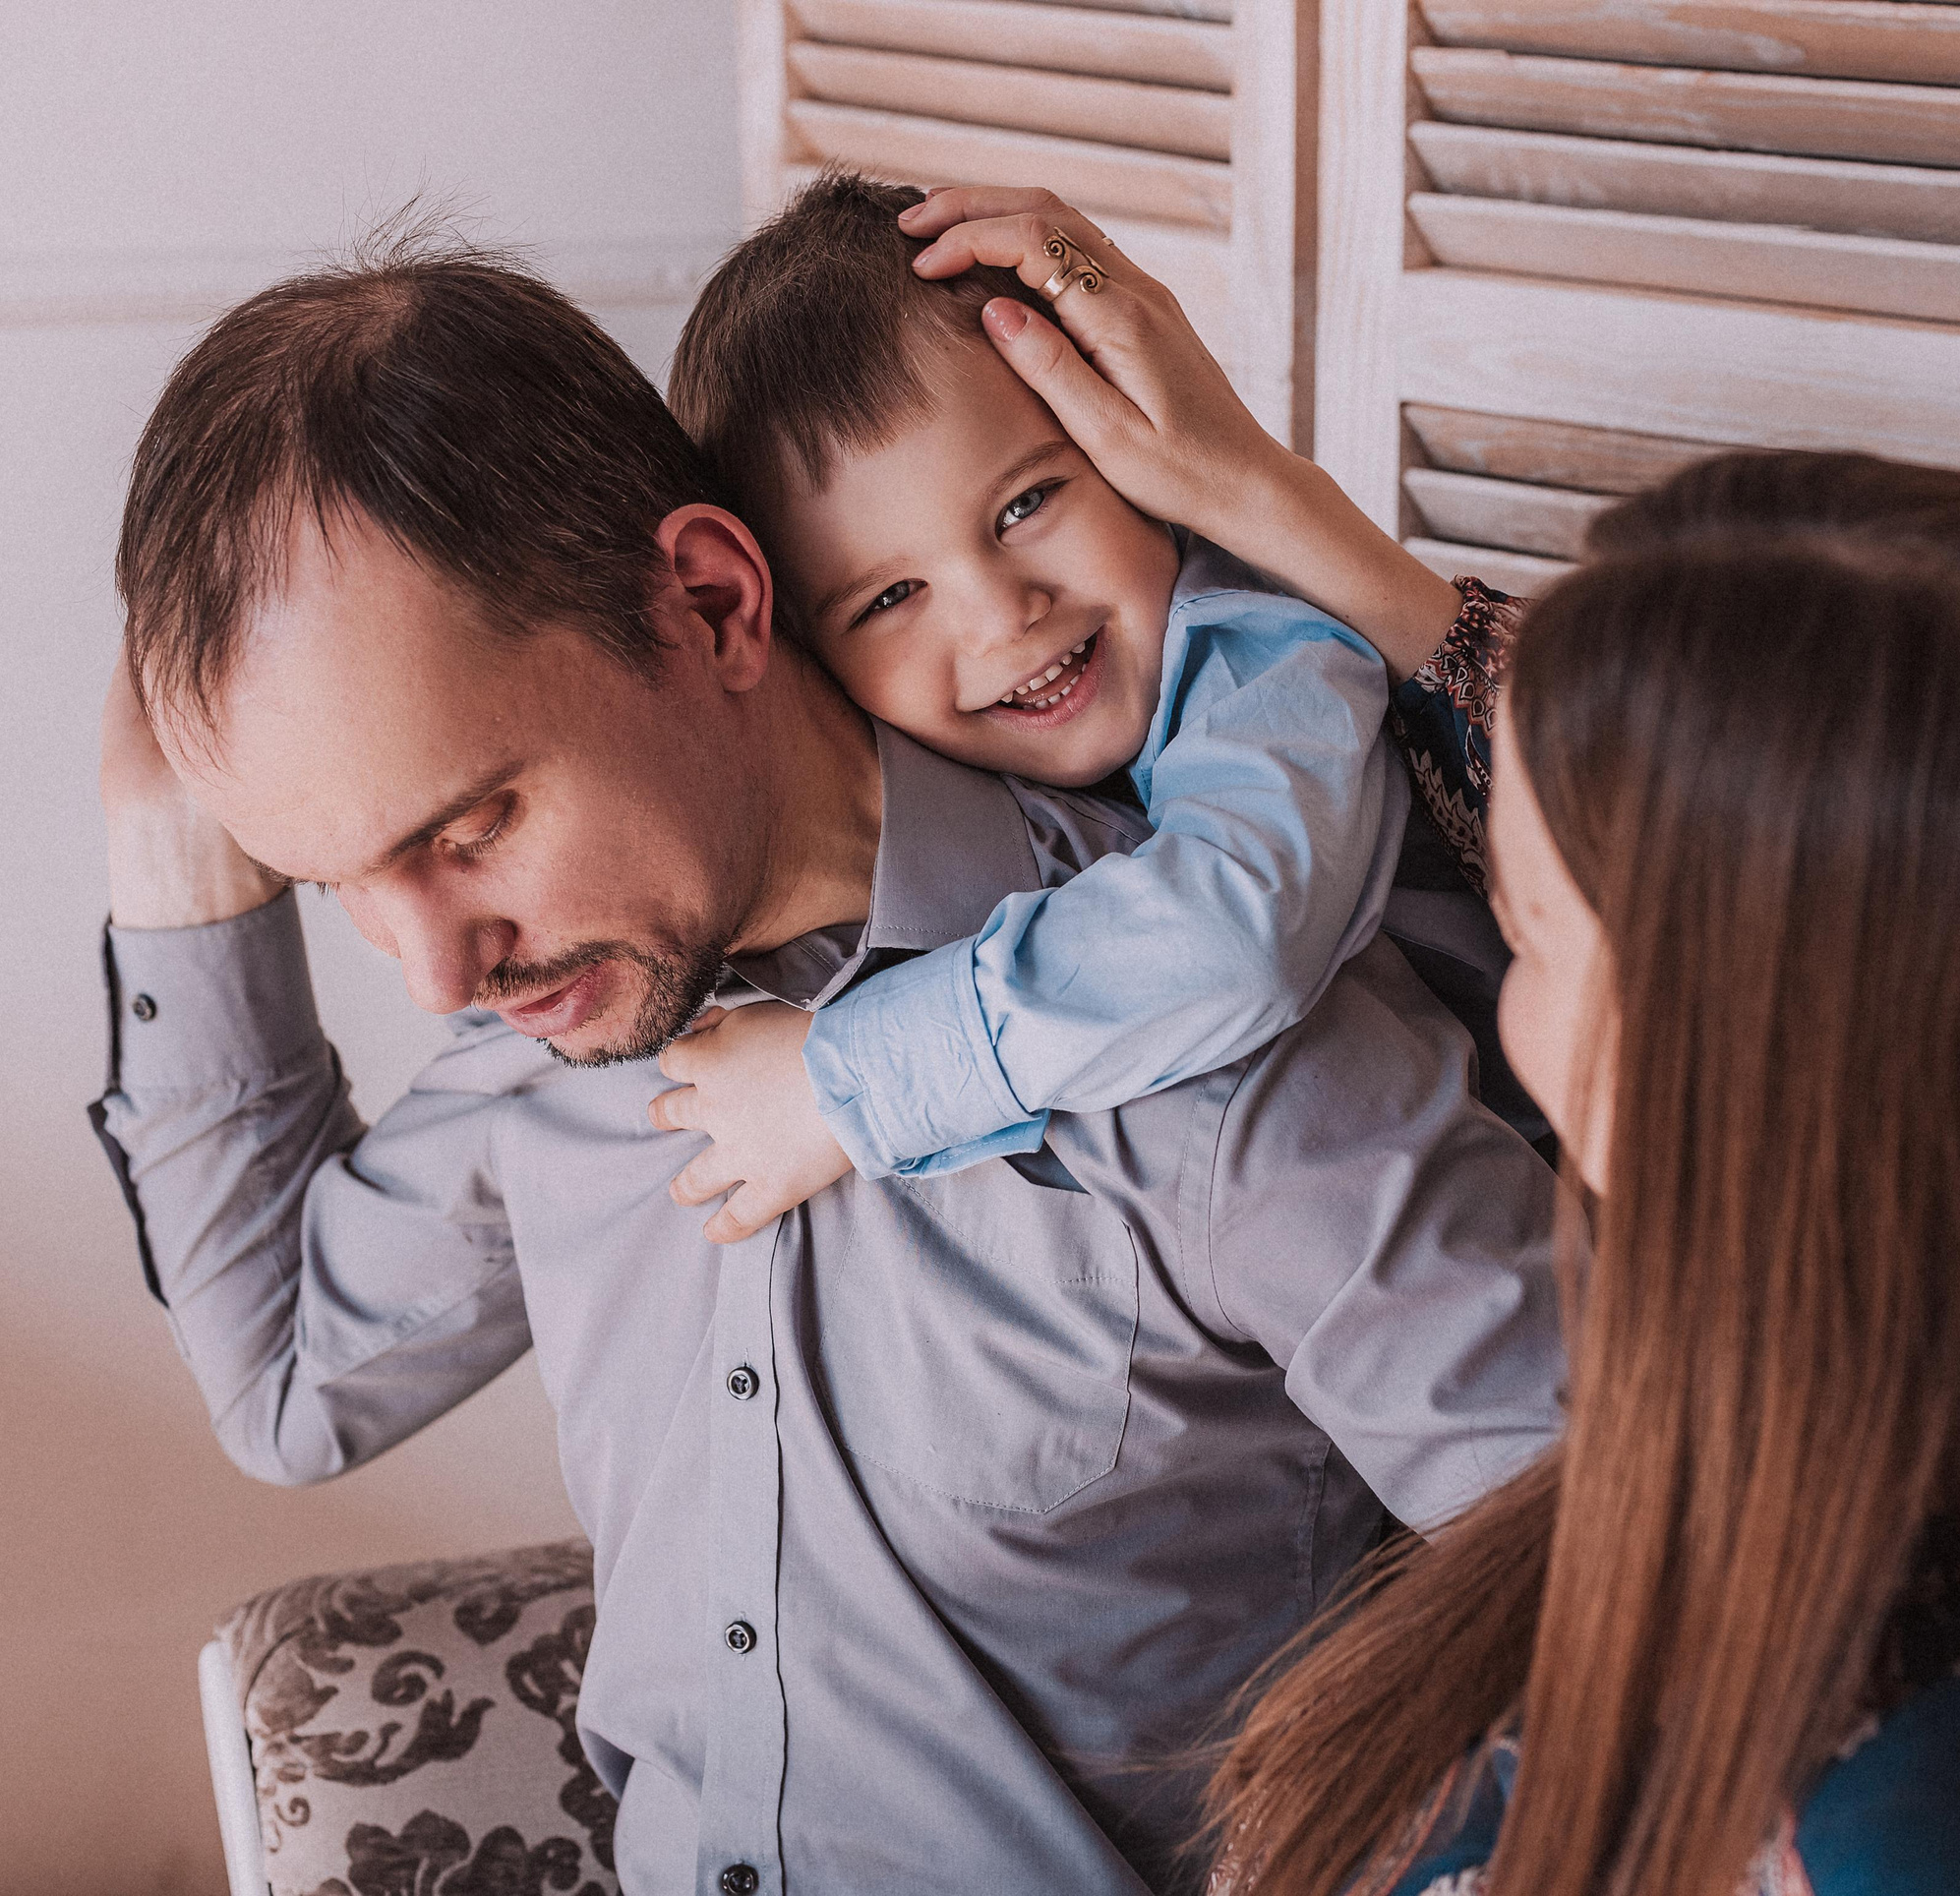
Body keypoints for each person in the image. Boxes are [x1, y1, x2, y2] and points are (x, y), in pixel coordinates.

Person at [881, 191, 1960, 1896]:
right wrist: (1249, 491)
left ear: (1737, 1059)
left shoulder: (1934, 1823)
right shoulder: (1706, 1535)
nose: (1491, 980)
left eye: (1529, 919)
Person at [91, 231, 1564, 1896]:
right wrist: (169, 848)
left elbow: (1628, 1584)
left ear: (713, 605)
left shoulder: (1213, 1047)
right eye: (343, 885)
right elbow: (288, 1379)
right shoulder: (560, 1034)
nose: (439, 975)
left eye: (472, 826)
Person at [643, 170, 1453, 1236]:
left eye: (1025, 503)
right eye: (890, 597)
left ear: (1127, 435)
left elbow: (1229, 938)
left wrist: (843, 1084)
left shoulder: (1272, 660)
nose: (1001, 615)